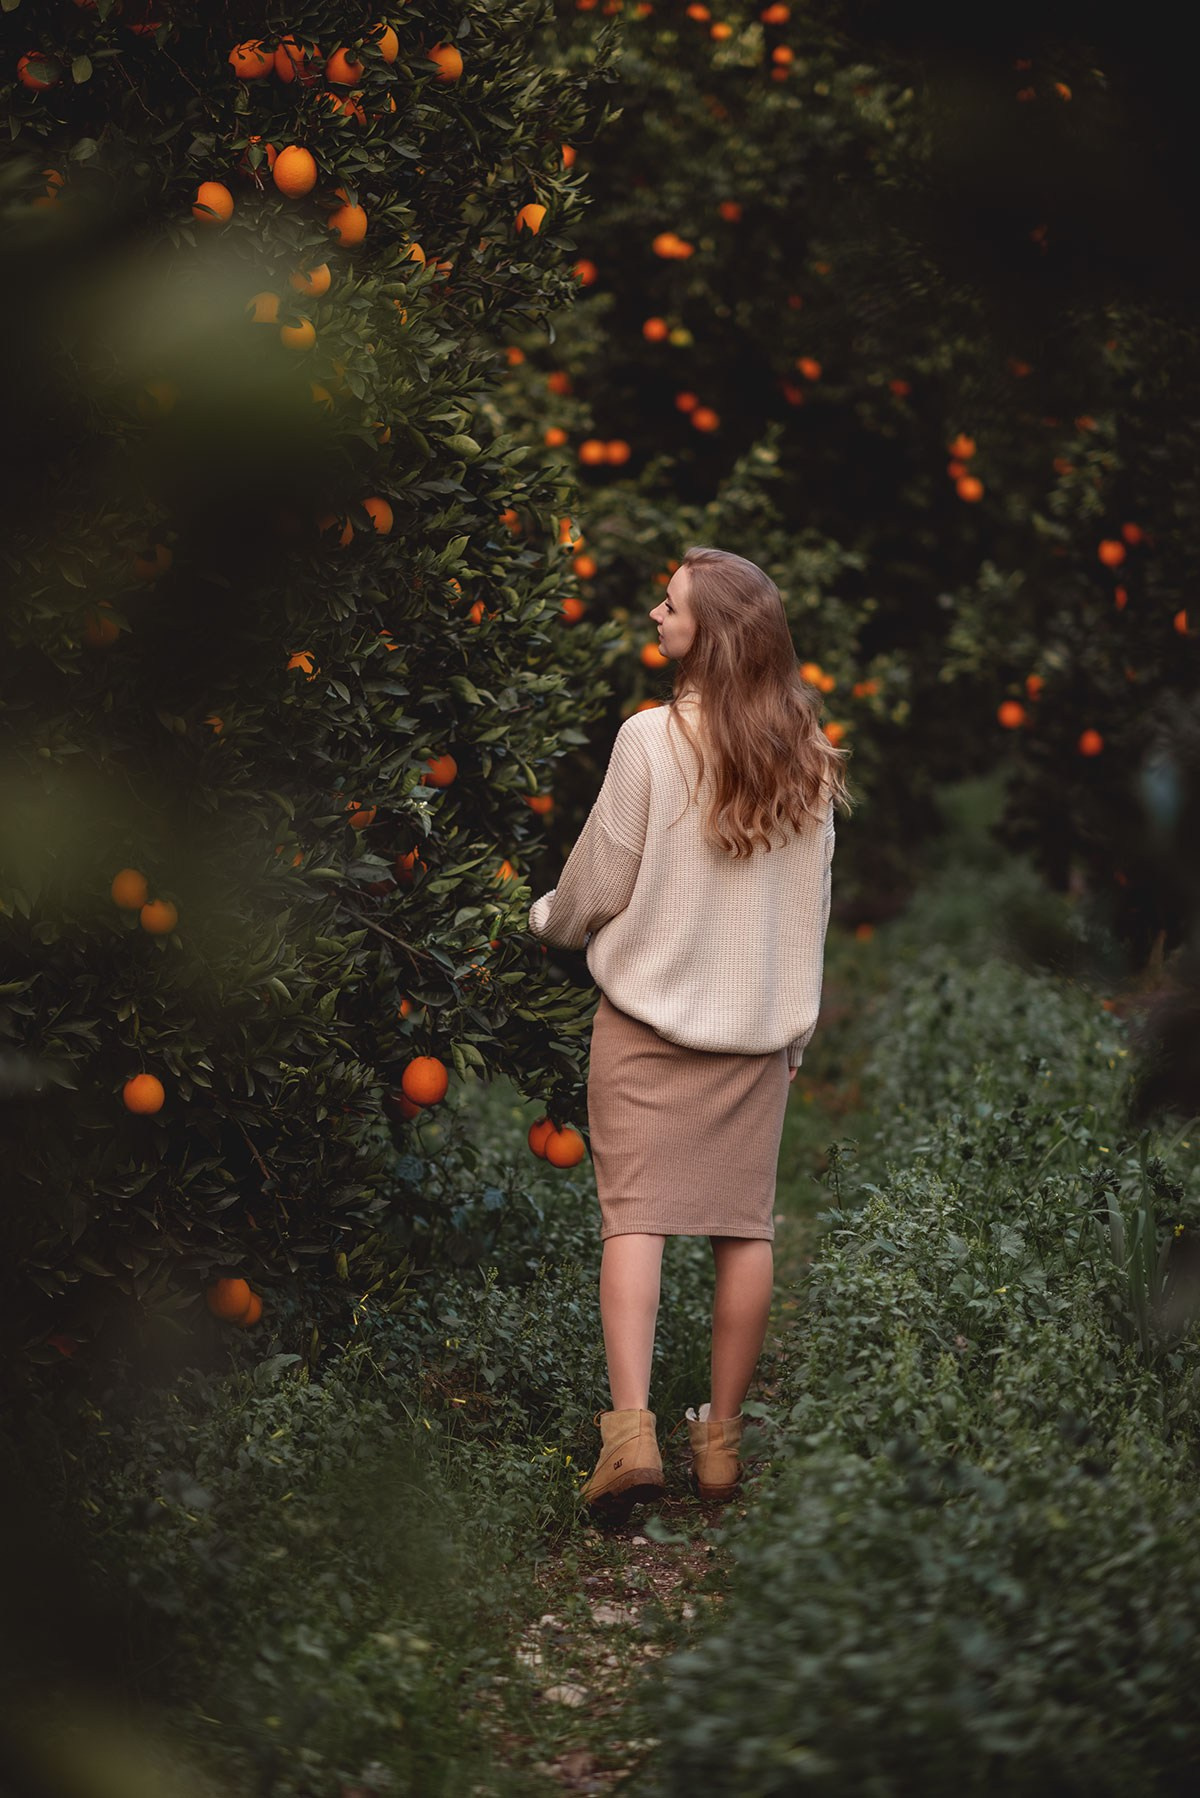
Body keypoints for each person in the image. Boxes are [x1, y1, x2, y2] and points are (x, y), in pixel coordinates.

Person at [527, 545, 852, 1524]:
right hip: (754, 1038)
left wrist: (551, 920)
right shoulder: (807, 753)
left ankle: (630, 1437)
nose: (655, 617)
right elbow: (813, 909)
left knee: (637, 1220)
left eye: (668, 607)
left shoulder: (649, 741)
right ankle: (720, 1446)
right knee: (740, 1229)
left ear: (707, 634)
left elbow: (598, 882)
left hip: (644, 1025)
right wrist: (793, 1035)